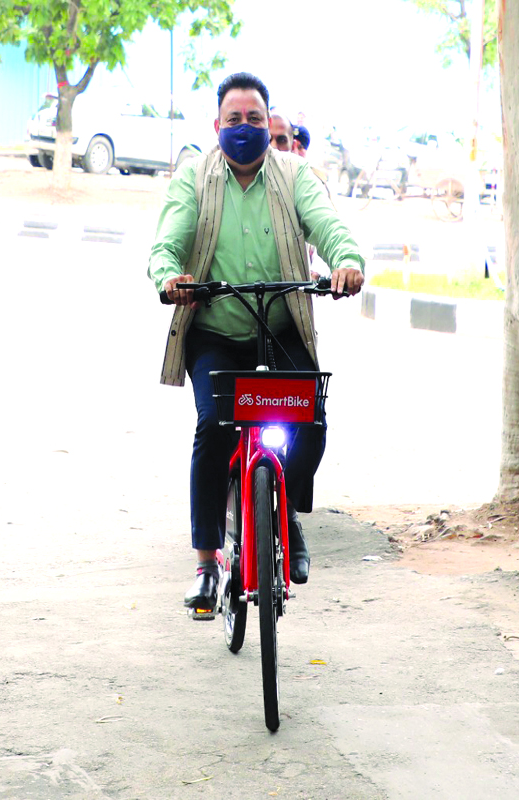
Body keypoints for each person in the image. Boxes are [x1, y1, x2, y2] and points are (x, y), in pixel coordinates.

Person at [148, 72, 365, 613]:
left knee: (310, 424)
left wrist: (346, 262)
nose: (243, 128)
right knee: (212, 429)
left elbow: (329, 226)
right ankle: (204, 564)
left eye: (253, 119)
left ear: (268, 124)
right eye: (232, 120)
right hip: (214, 331)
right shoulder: (193, 178)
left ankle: (282, 509)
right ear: (215, 125)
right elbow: (167, 241)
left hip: (281, 324)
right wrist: (170, 276)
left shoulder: (295, 176)